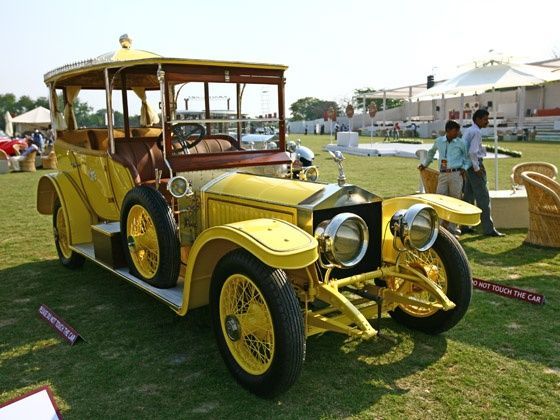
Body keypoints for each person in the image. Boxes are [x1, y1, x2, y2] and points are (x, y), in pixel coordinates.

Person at [418, 120, 468, 235]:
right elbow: (431, 153)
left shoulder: (461, 143)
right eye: (455, 131)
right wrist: (425, 164)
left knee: (455, 200)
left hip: (456, 174)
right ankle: (439, 227)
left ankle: (453, 228)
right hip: (443, 174)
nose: (458, 133)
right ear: (448, 131)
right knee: (439, 199)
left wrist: (464, 168)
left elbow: (467, 158)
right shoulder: (439, 141)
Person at [462, 109, 505, 237]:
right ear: (478, 119)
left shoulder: (469, 130)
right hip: (474, 166)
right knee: (483, 198)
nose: (487, 121)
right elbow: (473, 152)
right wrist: (477, 168)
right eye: (485, 119)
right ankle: (488, 229)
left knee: (468, 197)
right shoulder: (476, 132)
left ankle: (465, 226)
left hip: (468, 166)